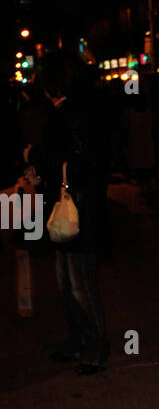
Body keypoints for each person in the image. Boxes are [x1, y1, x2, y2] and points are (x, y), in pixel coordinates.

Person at [30, 53, 111, 375]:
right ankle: (79, 342)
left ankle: (94, 348)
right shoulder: (78, 110)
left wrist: (38, 157)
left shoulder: (74, 114)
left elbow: (79, 161)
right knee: (68, 283)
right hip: (74, 208)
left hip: (79, 210)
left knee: (80, 284)